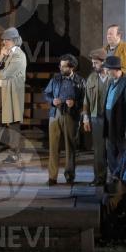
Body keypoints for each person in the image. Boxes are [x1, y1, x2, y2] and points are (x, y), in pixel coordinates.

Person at [43, 54, 84, 185]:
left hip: (71, 116)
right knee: (53, 147)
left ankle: (69, 176)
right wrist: (52, 101)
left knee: (70, 147)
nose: (61, 68)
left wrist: (75, 103)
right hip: (55, 115)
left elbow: (85, 100)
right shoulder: (55, 79)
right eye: (60, 65)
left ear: (72, 67)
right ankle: (52, 177)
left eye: (64, 66)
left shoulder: (80, 81)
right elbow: (46, 93)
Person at [0, 27, 27, 163]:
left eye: (7, 40)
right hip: (1, 92)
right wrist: (1, 56)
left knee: (13, 123)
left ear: (14, 40)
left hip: (12, 93)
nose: (4, 42)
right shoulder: (6, 54)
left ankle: (14, 153)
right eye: (4, 40)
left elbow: (5, 74)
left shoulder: (19, 55)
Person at [101, 55, 126, 187]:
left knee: (124, 154)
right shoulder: (111, 82)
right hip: (111, 125)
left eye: (108, 69)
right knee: (111, 153)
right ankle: (114, 179)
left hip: (122, 127)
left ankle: (124, 181)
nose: (106, 71)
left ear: (115, 69)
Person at [81, 49, 110, 187]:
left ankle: (114, 179)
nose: (93, 65)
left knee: (112, 149)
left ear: (103, 63)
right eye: (93, 63)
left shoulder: (113, 77)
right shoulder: (92, 78)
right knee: (98, 150)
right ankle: (99, 177)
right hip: (96, 118)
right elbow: (86, 99)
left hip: (111, 119)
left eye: (96, 63)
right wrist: (86, 118)